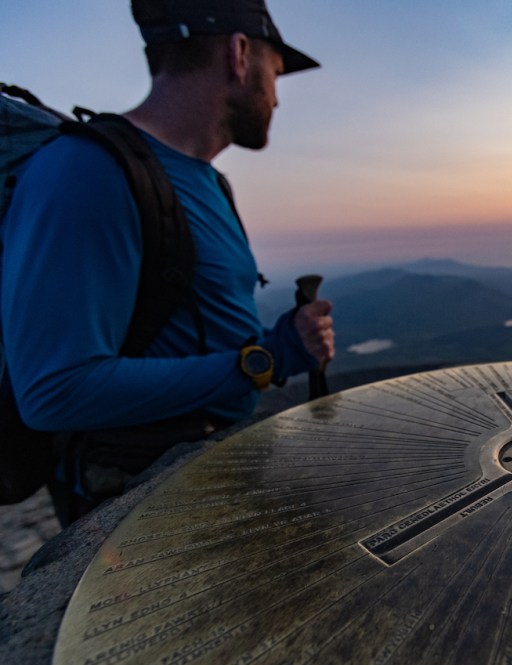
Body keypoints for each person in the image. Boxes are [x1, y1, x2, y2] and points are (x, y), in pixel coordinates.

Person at [0, 0, 334, 526]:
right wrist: (265, 360)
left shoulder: (206, 180)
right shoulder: (85, 172)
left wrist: (287, 338)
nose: (276, 97)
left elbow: (189, 325)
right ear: (239, 53)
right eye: (275, 73)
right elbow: (54, 392)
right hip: (136, 504)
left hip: (198, 475)